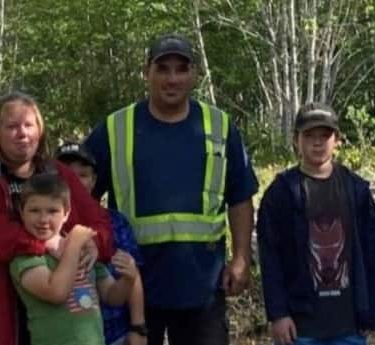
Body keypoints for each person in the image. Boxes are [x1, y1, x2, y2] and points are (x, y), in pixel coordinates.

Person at [84, 33, 259, 345]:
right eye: (163, 68)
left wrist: (241, 257)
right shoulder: (115, 128)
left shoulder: (219, 126)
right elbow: (81, 198)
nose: (172, 78)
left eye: (181, 69)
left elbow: (240, 197)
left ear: (194, 74)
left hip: (202, 286)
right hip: (134, 287)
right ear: (146, 72)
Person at [0, 91, 113, 345]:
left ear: (40, 130)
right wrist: (49, 244)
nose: (22, 133)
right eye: (12, 126)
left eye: (28, 125)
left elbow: (97, 219)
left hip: (60, 322)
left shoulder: (58, 173)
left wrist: (96, 243)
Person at [256, 102, 375, 345]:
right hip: (301, 325)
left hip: (348, 323)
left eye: (325, 135)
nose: (317, 142)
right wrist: (278, 314)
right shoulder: (282, 192)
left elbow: (370, 252)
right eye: (309, 135)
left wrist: (370, 312)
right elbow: (270, 257)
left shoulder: (357, 190)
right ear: (296, 140)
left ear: (338, 140)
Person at [10, 173, 138, 345]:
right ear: (21, 212)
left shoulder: (84, 250)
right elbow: (56, 292)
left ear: (66, 213)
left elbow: (111, 296)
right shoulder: (26, 255)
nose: (43, 219)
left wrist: (129, 278)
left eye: (53, 211)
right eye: (34, 210)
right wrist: (74, 244)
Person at [55, 142, 146, 345]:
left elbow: (131, 273)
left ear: (94, 180)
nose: (74, 181)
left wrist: (138, 328)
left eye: (83, 175)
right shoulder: (44, 224)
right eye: (67, 174)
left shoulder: (114, 222)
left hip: (114, 334)